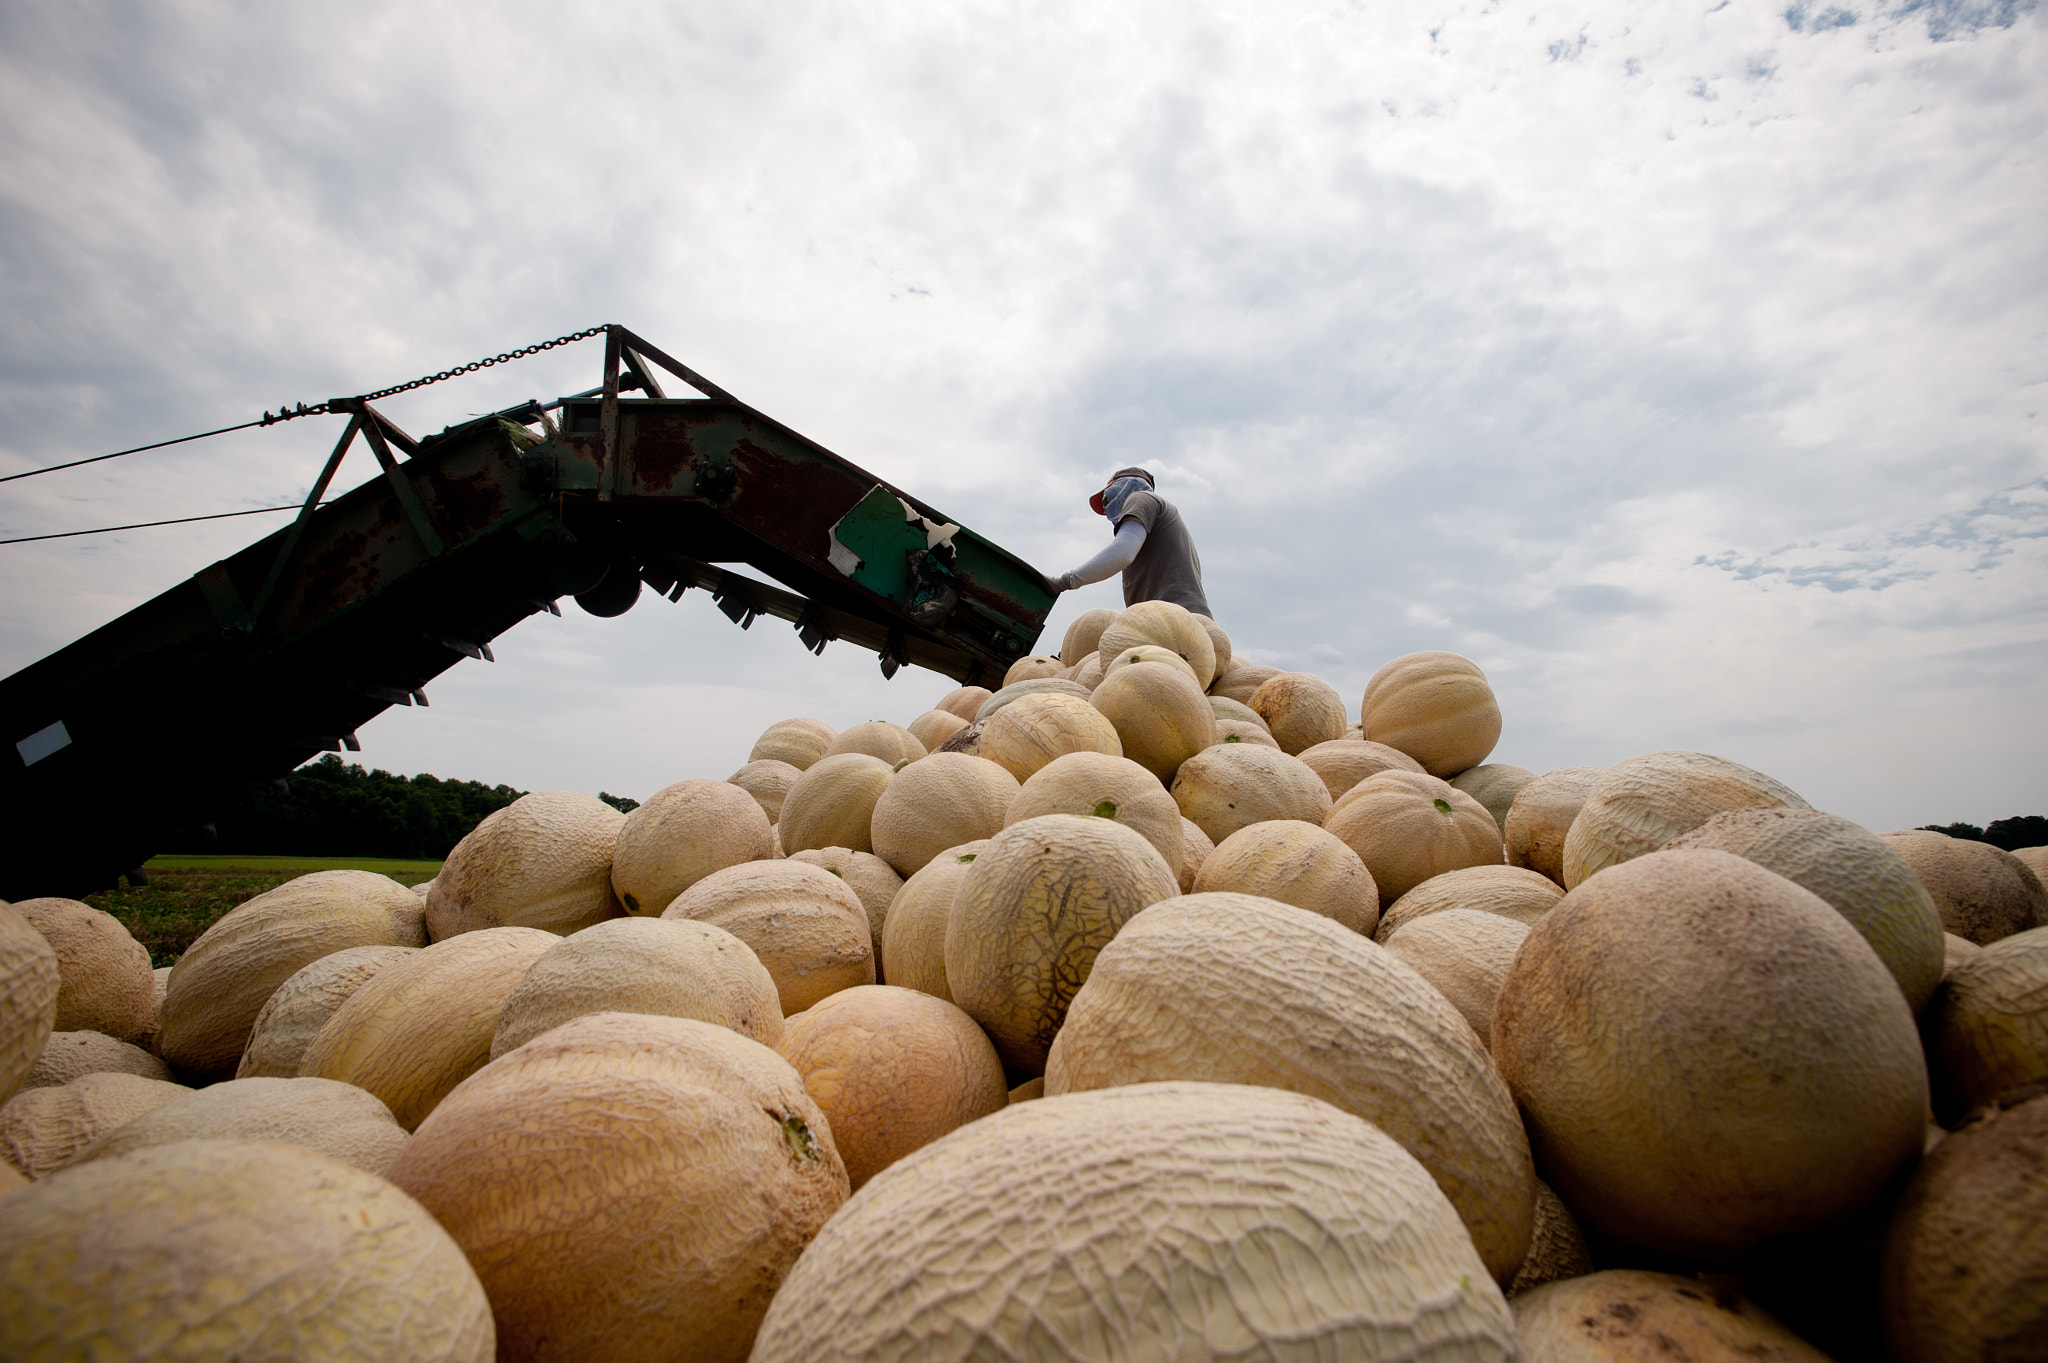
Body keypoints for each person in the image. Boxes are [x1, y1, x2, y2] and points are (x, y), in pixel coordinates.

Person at [1050, 467, 1212, 619]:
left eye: (1107, 498)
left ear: (1126, 486)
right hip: (1181, 622)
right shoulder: (1160, 526)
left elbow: (1122, 552)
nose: (1107, 510)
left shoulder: (1141, 497)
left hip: (1179, 621)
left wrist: (1064, 581)